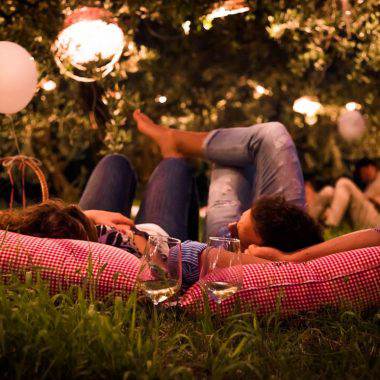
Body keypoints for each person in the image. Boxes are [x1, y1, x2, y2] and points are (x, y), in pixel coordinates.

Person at [0, 110, 323, 289]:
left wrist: (90, 216)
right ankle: (174, 146)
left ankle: (174, 145)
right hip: (165, 240)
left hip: (86, 225)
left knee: (115, 162)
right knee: (188, 164)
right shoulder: (181, 259)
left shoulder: (54, 232)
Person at [324, 159, 380, 229]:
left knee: (344, 183)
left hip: (376, 223)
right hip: (366, 220)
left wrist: (372, 199)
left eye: (362, 173)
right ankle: (311, 226)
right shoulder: (371, 184)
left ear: (369, 167)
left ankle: (330, 225)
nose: (362, 178)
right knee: (328, 192)